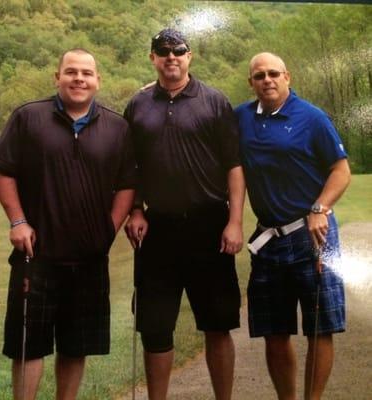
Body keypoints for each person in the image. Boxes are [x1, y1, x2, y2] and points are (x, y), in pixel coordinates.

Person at [0, 48, 136, 400]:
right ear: (57, 77)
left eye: (86, 73)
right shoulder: (29, 117)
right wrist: (18, 220)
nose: (78, 79)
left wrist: (109, 229)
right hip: (36, 256)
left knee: (76, 347)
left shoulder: (117, 127)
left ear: (97, 80)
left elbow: (128, 184)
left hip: (89, 260)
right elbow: (4, 172)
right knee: (29, 347)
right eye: (70, 72)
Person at [124, 28, 245, 400]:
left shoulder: (214, 101)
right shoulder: (138, 105)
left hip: (209, 225)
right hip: (157, 229)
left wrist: (235, 221)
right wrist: (135, 209)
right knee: (156, 327)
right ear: (152, 58)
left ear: (189, 56)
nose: (171, 56)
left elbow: (234, 166)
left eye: (178, 50)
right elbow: (131, 167)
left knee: (217, 324)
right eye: (162, 51)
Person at [235, 52, 351, 400]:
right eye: (259, 76)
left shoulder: (312, 117)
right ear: (251, 82)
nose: (267, 80)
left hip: (312, 236)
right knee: (274, 330)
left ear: (288, 76)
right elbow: (201, 121)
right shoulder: (239, 117)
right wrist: (159, 90)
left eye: (274, 73)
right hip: (268, 239)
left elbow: (340, 170)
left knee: (319, 327)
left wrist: (321, 207)